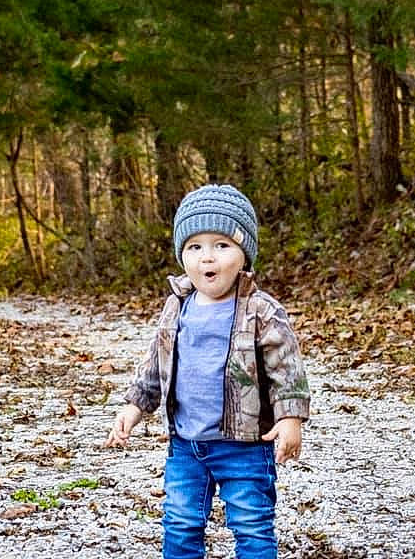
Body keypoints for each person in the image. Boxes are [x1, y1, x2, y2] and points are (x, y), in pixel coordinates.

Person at [105, 184, 311, 559]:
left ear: (244, 254)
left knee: (252, 524)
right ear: (182, 255)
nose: (207, 257)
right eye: (195, 247)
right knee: (180, 523)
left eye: (222, 245)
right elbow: (157, 362)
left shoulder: (261, 310)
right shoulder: (177, 306)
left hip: (245, 447)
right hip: (186, 445)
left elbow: (286, 367)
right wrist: (134, 407)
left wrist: (290, 417)